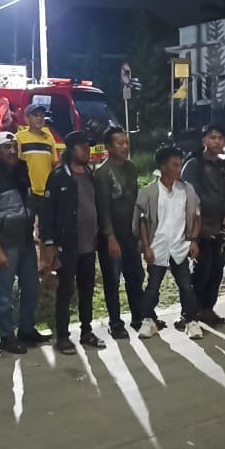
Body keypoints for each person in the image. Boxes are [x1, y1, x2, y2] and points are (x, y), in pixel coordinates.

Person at [0, 132, 50, 354]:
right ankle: (7, 337)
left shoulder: (21, 169)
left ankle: (26, 330)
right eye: (6, 147)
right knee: (4, 294)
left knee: (31, 287)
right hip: (5, 243)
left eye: (14, 146)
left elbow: (28, 200)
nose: (12, 151)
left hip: (25, 240)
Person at [41, 131, 106, 355]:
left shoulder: (90, 175)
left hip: (89, 244)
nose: (87, 151)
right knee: (66, 291)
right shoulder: (59, 176)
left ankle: (87, 331)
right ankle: (63, 336)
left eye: (88, 147)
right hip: (67, 246)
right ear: (70, 150)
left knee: (87, 290)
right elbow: (47, 213)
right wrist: (50, 245)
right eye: (82, 147)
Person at [134, 146, 203, 340]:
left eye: (180, 164)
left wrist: (193, 241)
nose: (179, 168)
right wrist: (146, 247)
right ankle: (148, 321)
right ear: (163, 167)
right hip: (158, 246)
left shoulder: (186, 190)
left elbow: (197, 216)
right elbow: (142, 222)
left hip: (180, 246)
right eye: (175, 165)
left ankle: (191, 321)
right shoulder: (149, 192)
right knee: (153, 287)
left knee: (186, 286)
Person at [181, 125, 225, 326]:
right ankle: (191, 312)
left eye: (220, 138)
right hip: (201, 229)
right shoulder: (193, 165)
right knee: (201, 270)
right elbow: (188, 197)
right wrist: (195, 230)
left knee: (217, 270)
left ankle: (207, 309)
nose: (217, 141)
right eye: (212, 137)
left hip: (222, 229)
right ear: (204, 141)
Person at [94, 125, 148, 339]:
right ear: (109, 147)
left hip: (130, 232)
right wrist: (110, 237)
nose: (125, 147)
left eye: (126, 142)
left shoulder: (130, 167)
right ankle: (115, 322)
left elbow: (135, 201)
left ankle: (138, 316)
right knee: (112, 280)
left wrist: (140, 231)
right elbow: (103, 208)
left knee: (135, 275)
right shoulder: (102, 173)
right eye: (120, 143)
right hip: (112, 234)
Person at [14, 102, 59, 222]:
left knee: (47, 227)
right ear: (27, 118)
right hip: (28, 192)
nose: (39, 118)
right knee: (27, 226)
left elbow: (54, 163)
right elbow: (16, 164)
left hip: (46, 192)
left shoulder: (49, 137)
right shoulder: (19, 137)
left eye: (42, 116)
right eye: (35, 115)